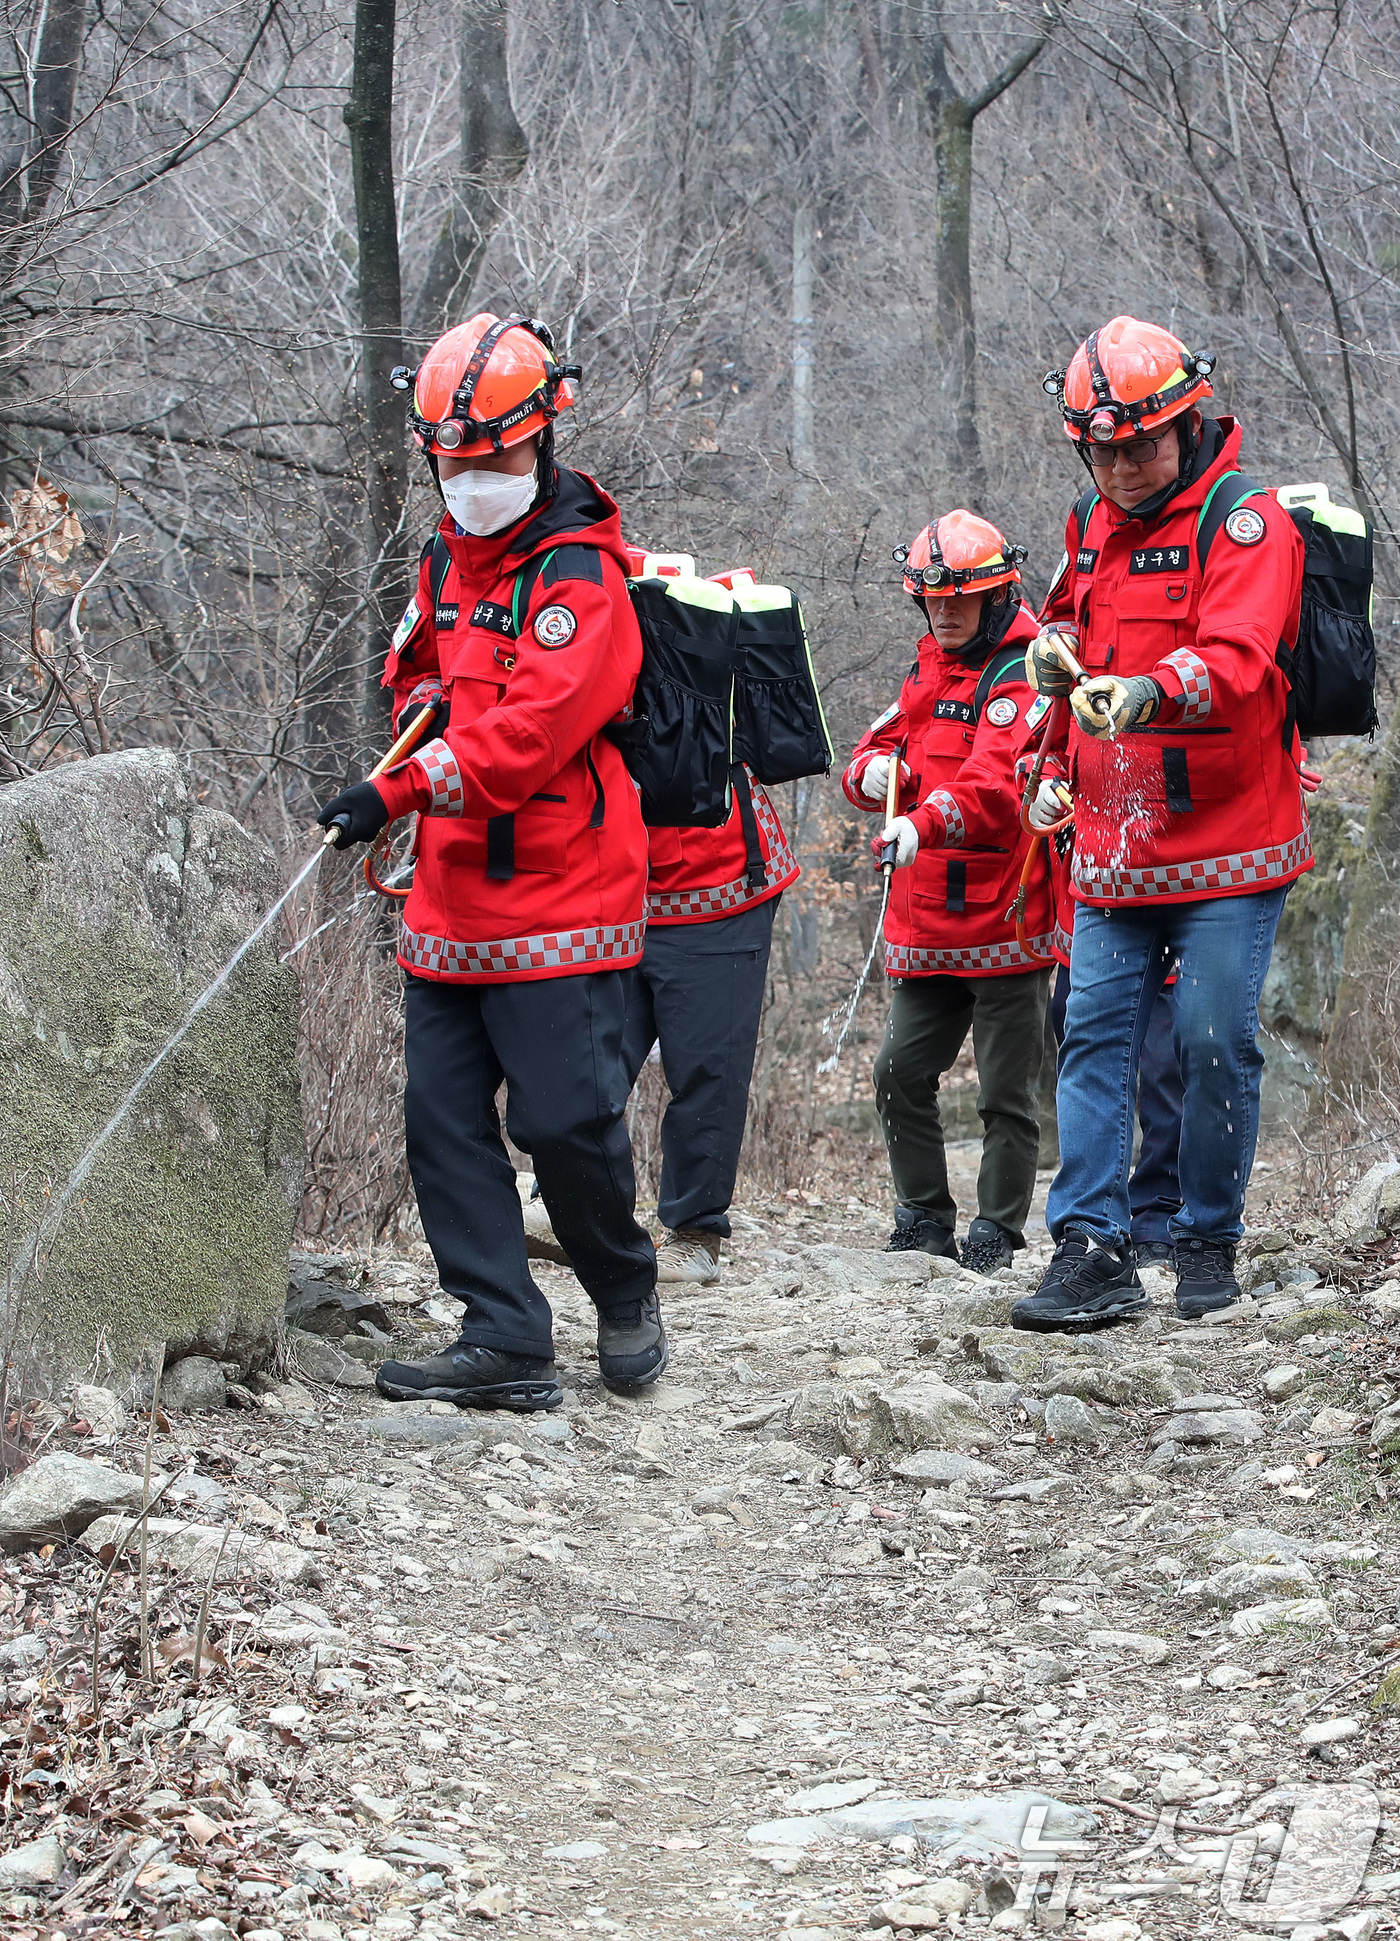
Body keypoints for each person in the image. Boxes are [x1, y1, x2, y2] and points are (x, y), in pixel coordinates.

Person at [316, 312, 667, 1410]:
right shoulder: (439, 562)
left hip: (564, 890)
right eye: (456, 463)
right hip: (451, 896)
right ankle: (505, 1332)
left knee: (562, 1123)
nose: (474, 480)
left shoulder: (583, 580)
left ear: (542, 443)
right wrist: (415, 711)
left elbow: (528, 736)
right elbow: (420, 672)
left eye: (495, 460)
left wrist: (399, 787)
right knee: (440, 1123)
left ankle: (620, 1285)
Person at [1012, 315, 1310, 1331]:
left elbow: (1235, 653)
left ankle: (1201, 1235)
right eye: (1102, 449)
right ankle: (1087, 1244)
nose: (1122, 465)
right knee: (1089, 1036)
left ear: (1183, 424)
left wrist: (1151, 690)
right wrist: (1048, 735)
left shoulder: (1244, 521)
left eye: (1139, 444)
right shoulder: (1087, 525)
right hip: (1110, 836)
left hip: (1228, 838)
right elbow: (1069, 641)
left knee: (1208, 1039)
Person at [843, 511, 1054, 1276]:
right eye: (932, 601)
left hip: (1005, 918)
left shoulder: (1024, 670)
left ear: (1000, 594)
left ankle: (997, 1229)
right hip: (926, 924)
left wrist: (923, 822)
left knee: (1006, 1094)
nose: (945, 612)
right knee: (898, 1072)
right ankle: (923, 1216)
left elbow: (996, 786)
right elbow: (882, 741)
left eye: (961, 600)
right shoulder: (925, 666)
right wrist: (866, 774)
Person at [621, 748, 799, 1286]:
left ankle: (694, 1233)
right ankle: (569, 1205)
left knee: (707, 1071)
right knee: (584, 1061)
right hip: (600, 878)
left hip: (718, 880)